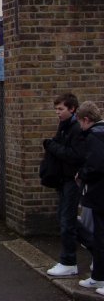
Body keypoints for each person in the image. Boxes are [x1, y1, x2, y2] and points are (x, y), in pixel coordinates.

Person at [43, 92, 85, 277]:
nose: (57, 113)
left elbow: (74, 155)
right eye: (56, 109)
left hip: (71, 180)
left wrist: (51, 146)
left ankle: (69, 262)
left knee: (67, 221)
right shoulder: (64, 126)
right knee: (65, 219)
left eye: (60, 109)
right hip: (64, 179)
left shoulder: (75, 129)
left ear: (72, 108)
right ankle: (96, 252)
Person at [75, 101, 104, 291]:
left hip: (99, 193)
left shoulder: (95, 137)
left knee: (101, 236)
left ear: (86, 120)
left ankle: (100, 278)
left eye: (80, 122)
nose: (80, 127)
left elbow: (96, 165)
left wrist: (82, 174)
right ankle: (98, 277)